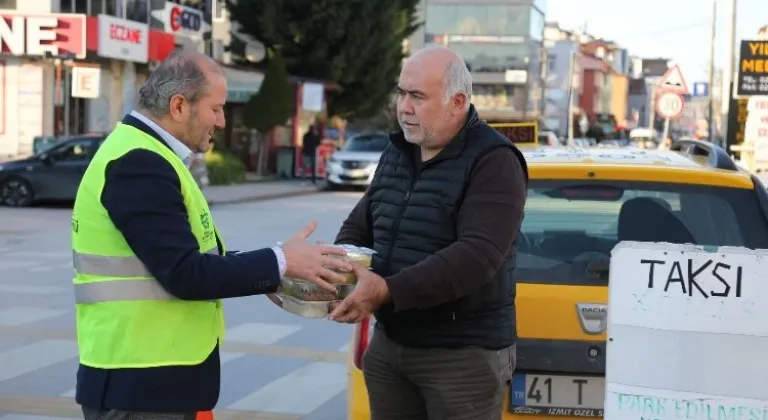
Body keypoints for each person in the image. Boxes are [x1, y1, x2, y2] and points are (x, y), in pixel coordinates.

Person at [71, 51, 351, 420]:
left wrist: (274, 266)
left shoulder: (152, 156)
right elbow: (185, 274)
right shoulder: (139, 163)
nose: (221, 121)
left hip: (154, 380)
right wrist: (280, 261)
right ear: (179, 106)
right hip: (141, 385)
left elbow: (188, 258)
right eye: (216, 109)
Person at [329, 45, 528, 420]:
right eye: (401, 93)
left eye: (417, 96)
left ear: (457, 102)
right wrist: (336, 273)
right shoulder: (397, 151)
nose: (403, 107)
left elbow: (476, 257)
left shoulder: (494, 160)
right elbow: (361, 225)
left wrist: (387, 291)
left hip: (461, 357)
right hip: (391, 347)